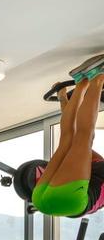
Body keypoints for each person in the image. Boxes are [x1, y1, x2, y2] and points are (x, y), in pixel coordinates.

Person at [31, 60, 104, 217]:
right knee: (69, 140)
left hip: (70, 200)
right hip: (40, 200)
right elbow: (74, 137)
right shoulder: (96, 165)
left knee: (84, 136)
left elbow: (82, 135)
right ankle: (81, 82)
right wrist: (64, 99)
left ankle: (97, 77)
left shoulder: (98, 166)